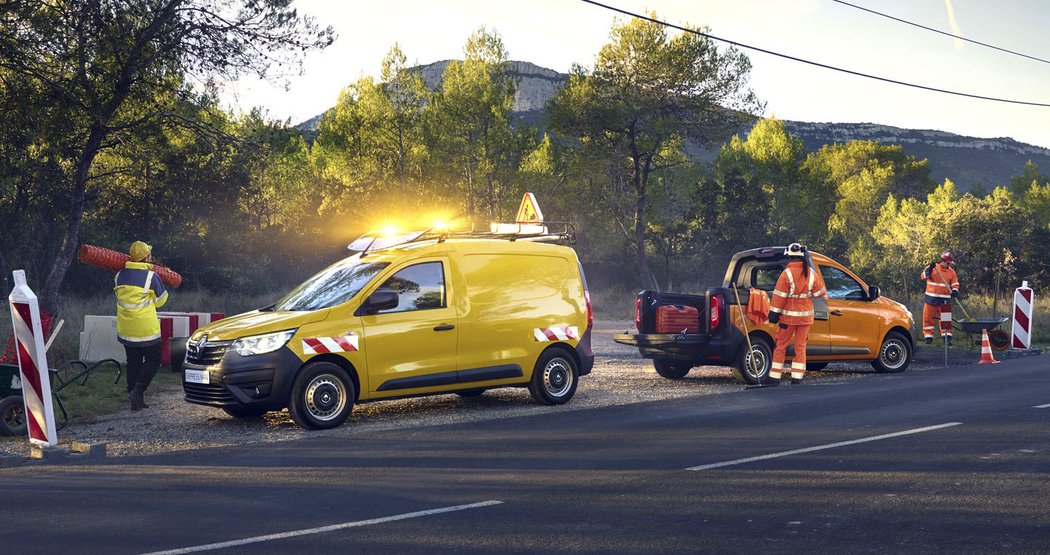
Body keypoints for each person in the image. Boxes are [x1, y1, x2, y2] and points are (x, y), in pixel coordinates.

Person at [114, 241, 169, 411]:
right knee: (154, 359)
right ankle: (138, 391)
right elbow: (161, 302)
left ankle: (135, 401)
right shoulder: (152, 276)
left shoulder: (118, 275)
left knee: (133, 363)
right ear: (147, 257)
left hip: (126, 329)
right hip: (146, 330)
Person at [766, 243, 827, 384]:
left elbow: (779, 296)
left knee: (780, 346)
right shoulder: (811, 273)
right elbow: (819, 293)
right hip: (805, 318)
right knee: (801, 347)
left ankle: (775, 377)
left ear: (789, 257)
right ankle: (797, 377)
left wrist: (773, 314)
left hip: (788, 319)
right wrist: (806, 293)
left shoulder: (786, 274)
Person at [920, 251, 960, 345]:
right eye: (948, 263)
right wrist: (929, 269)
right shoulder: (933, 268)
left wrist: (955, 290)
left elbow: (955, 283)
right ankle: (928, 338)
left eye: (950, 263)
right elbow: (923, 277)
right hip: (931, 299)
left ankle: (947, 338)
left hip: (944, 300)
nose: (949, 265)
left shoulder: (951, 272)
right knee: (927, 318)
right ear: (943, 261)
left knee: (945, 319)